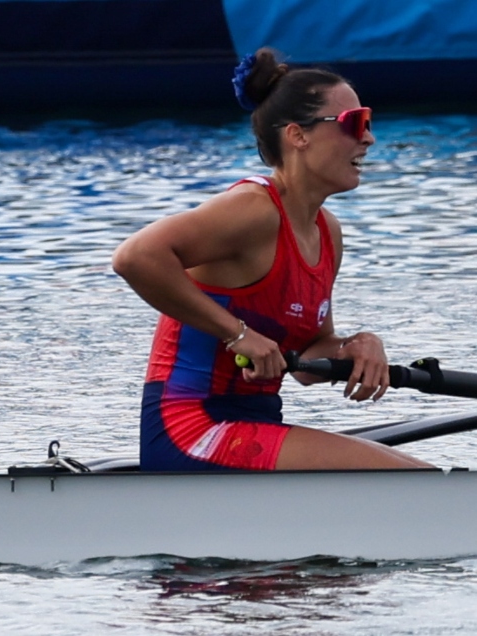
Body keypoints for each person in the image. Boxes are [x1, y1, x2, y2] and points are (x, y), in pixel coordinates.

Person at [110, 48, 432, 471]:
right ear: (298, 135)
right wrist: (236, 333)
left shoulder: (327, 233)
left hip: (254, 424)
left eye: (367, 123)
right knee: (415, 480)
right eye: (355, 124)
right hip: (191, 427)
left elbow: (309, 361)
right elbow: (134, 257)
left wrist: (359, 345)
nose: (368, 138)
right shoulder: (252, 209)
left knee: (422, 476)